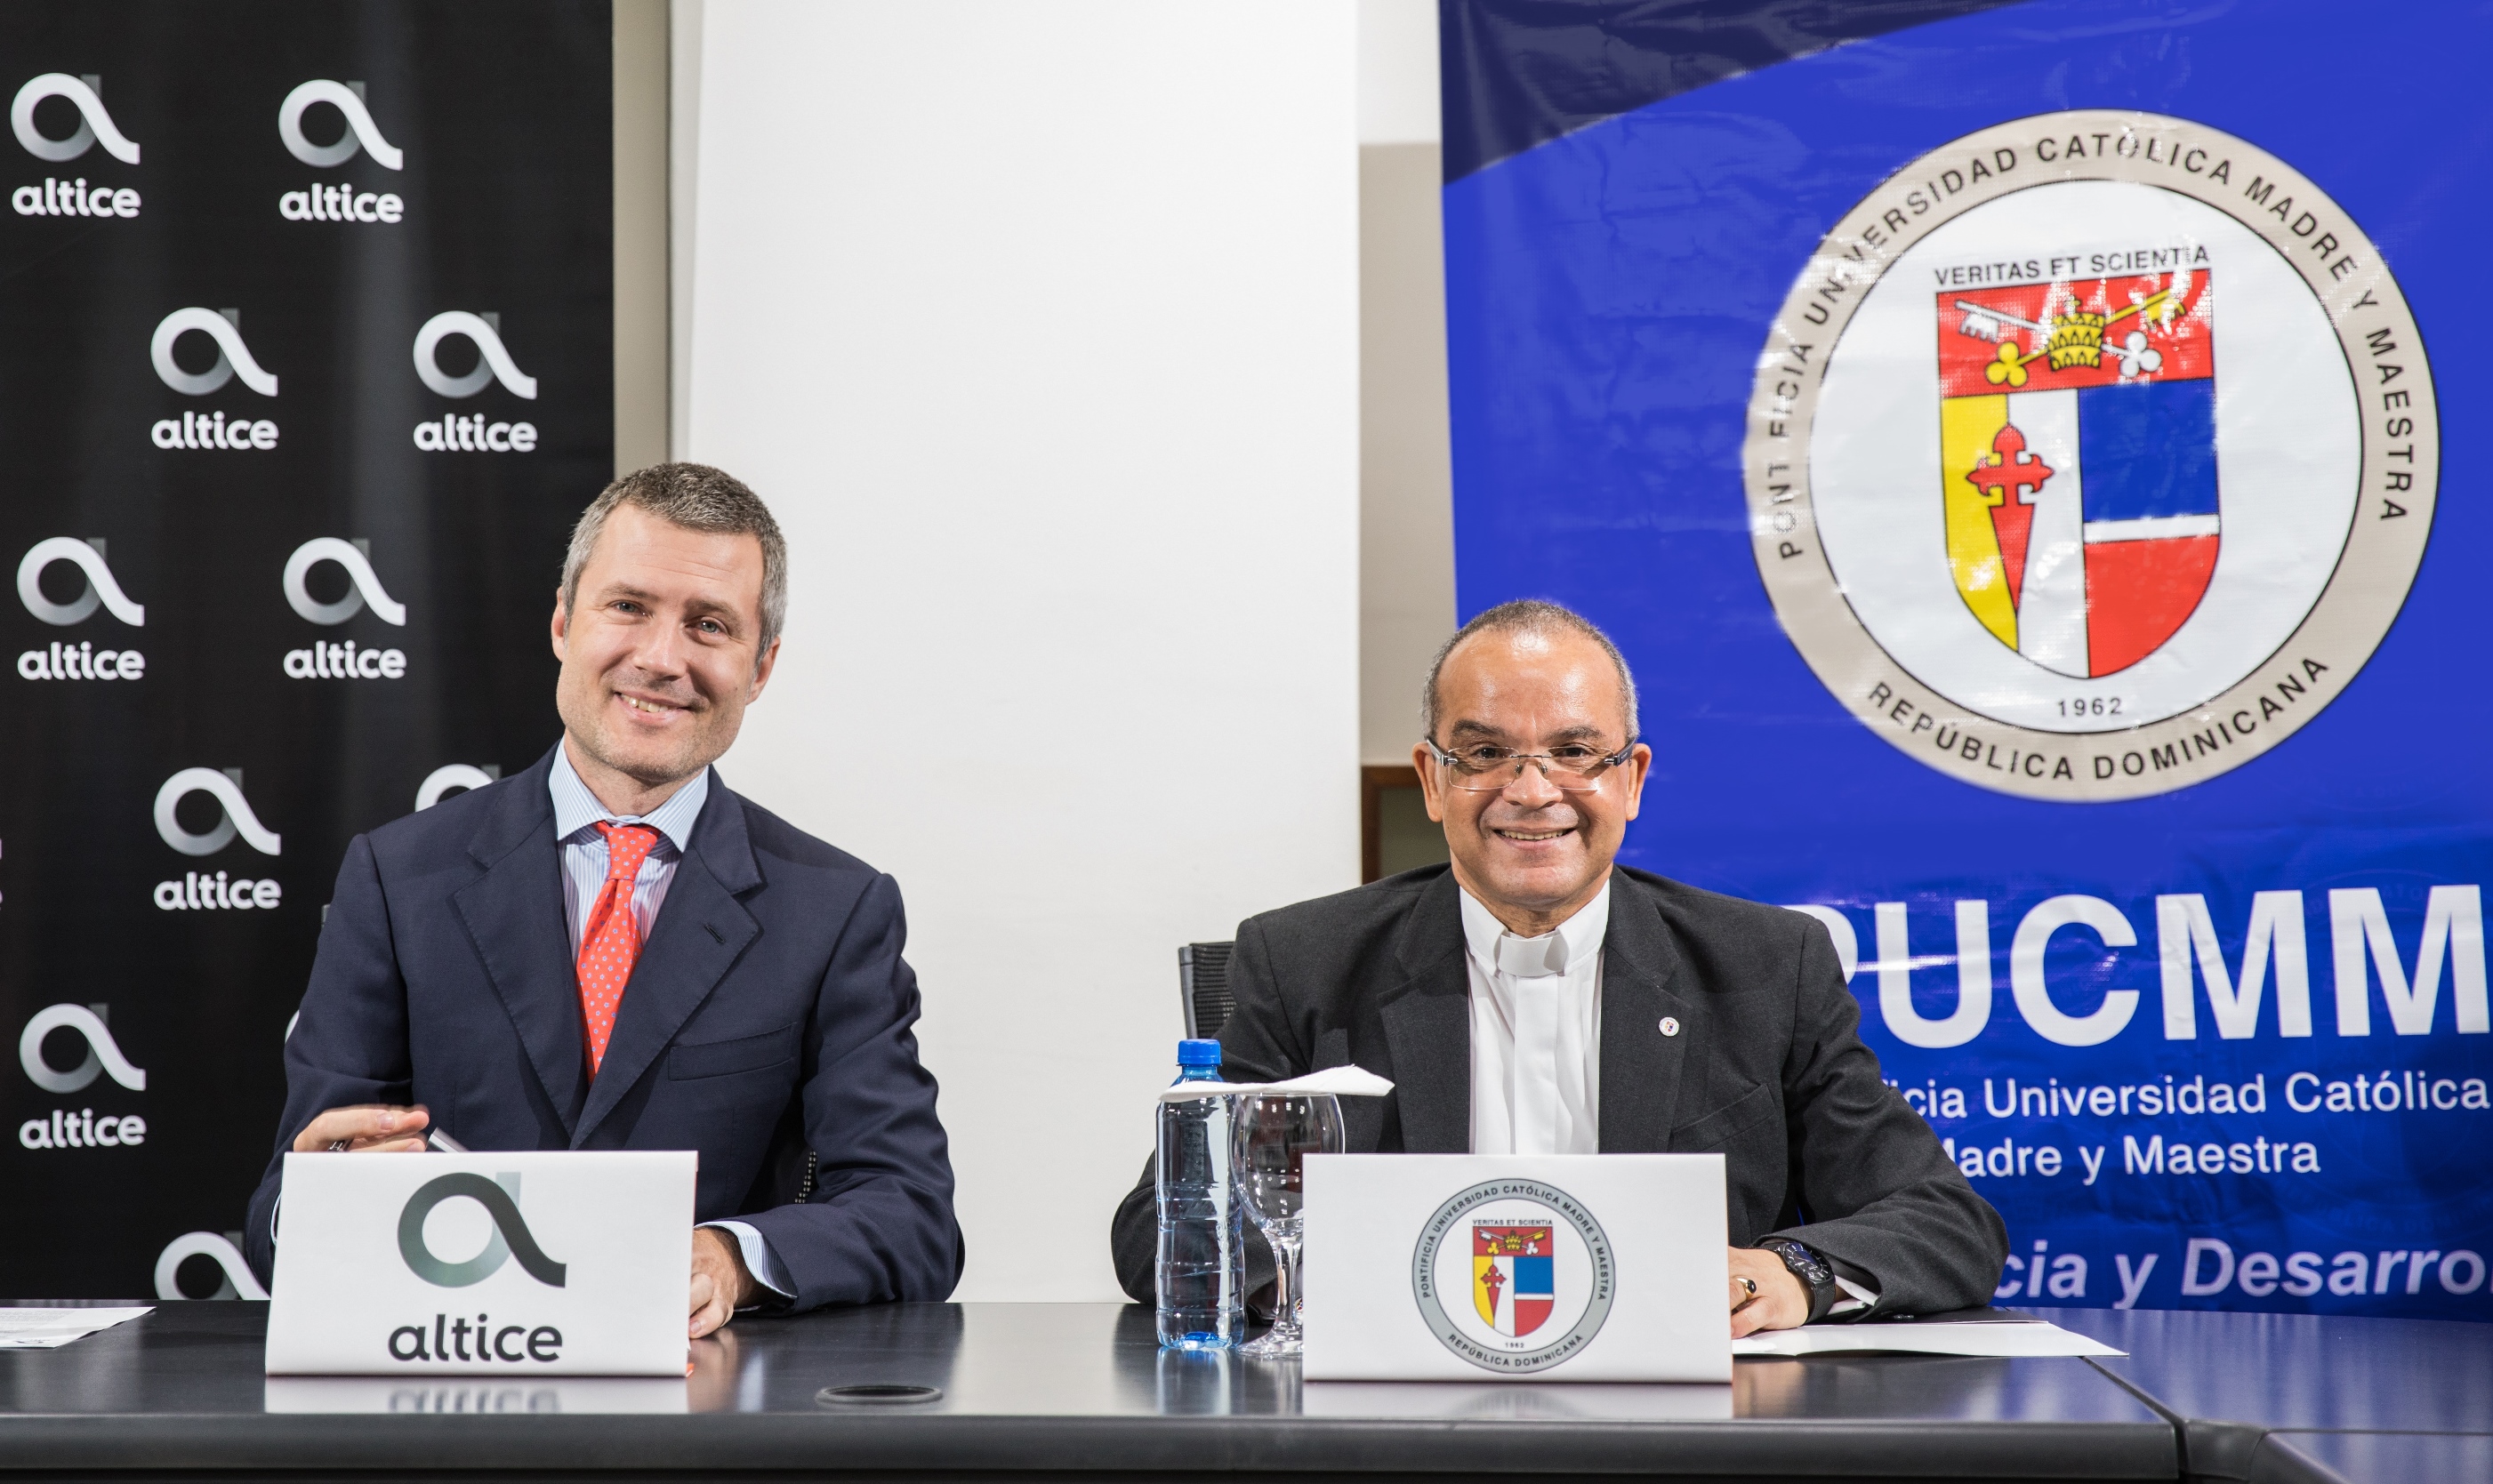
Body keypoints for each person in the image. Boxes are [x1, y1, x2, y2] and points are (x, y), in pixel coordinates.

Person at [1110, 600, 2005, 1334]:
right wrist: (1351, 1272)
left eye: (1574, 753)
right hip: (1392, 1437)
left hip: (1689, 1445)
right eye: (1485, 753)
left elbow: (1946, 1223)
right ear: (1431, 779)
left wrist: (1789, 1273)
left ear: (1631, 778)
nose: (1530, 791)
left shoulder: (1768, 966)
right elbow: (1159, 1231)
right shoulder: (1302, 961)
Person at [245, 463, 961, 1335]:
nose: (661, 658)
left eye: (709, 625)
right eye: (627, 607)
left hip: (709, 1430)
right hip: (449, 1409)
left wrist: (733, 1259)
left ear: (760, 665)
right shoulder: (398, 880)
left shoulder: (836, 910)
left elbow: (910, 1214)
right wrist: (320, 1198)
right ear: (562, 620)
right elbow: (282, 1218)